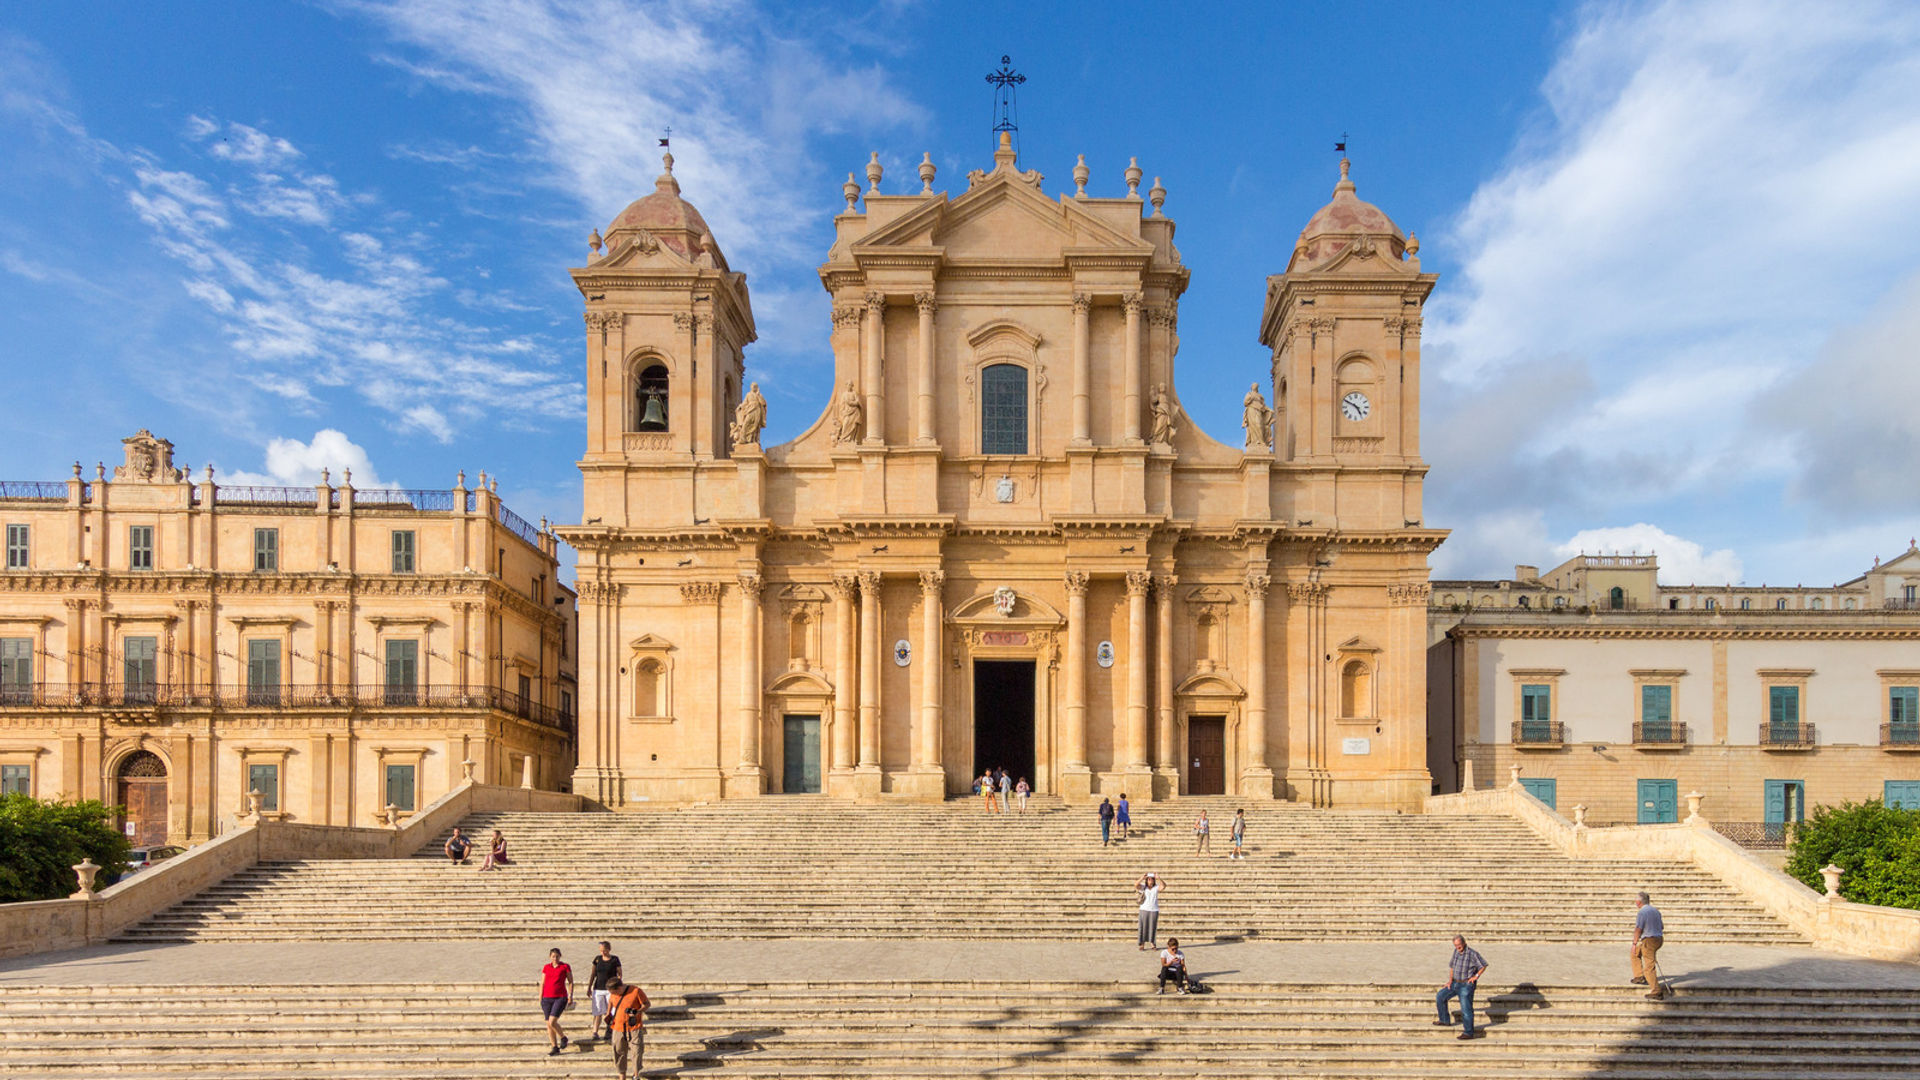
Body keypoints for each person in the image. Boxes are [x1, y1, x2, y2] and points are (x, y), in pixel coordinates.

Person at [1434, 935, 1487, 1040]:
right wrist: (1450, 981)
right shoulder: (1456, 952)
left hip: (1466, 985)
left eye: (1459, 945)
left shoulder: (1472, 954)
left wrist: (1475, 977)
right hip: (1454, 983)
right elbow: (1452, 967)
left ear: (1464, 943)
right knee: (1440, 996)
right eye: (1456, 945)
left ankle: (1468, 1032)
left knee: (1466, 1009)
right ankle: (1444, 1020)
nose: (1458, 947)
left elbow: (1483, 965)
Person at [604, 975, 650, 1080]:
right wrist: (608, 1014)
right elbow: (611, 1003)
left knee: (636, 1051)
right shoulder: (613, 994)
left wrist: (638, 1012)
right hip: (618, 1027)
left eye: (614, 992)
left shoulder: (636, 991)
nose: (613, 995)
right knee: (618, 1051)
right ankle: (622, 1075)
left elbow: (647, 1004)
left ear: (619, 988)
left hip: (634, 1026)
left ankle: (636, 1074)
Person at [539, 947, 574, 1056]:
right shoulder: (546, 967)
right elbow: (543, 983)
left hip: (560, 997)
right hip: (546, 998)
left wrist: (570, 995)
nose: (555, 958)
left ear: (560, 956)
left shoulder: (565, 966)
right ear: (550, 957)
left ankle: (563, 1038)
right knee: (549, 1025)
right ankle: (554, 1046)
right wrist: (540, 997)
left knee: (552, 1021)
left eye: (557, 956)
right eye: (553, 956)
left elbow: (571, 981)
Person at [588, 940, 623, 1042]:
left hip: (610, 990)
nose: (603, 952)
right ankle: (595, 1032)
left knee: (612, 1011)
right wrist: (589, 987)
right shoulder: (597, 959)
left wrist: (618, 986)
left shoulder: (615, 959)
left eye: (605, 950)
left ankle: (610, 1030)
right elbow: (593, 974)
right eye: (601, 950)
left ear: (609, 949)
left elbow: (619, 974)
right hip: (598, 988)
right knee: (598, 1011)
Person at [1632, 891, 1665, 999]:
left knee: (1649, 966)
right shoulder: (1656, 911)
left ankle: (1656, 990)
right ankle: (1639, 976)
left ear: (1639, 902)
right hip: (1658, 939)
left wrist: (1634, 943)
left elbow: (1638, 929)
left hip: (1649, 940)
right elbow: (1662, 927)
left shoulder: (1642, 912)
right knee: (1635, 953)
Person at [1136, 871, 1164, 950]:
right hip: (1144, 909)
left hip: (1154, 909)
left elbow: (1164, 886)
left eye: (1152, 879)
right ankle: (1142, 944)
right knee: (1143, 927)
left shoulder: (1156, 887)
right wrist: (1142, 877)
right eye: (1149, 879)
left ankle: (1152, 943)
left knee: (1152, 927)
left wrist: (1159, 878)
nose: (1150, 880)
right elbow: (1136, 885)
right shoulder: (1143, 887)